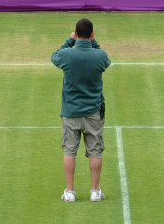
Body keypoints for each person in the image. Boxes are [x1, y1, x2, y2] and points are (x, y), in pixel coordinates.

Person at [51, 17, 111, 203]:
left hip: (70, 112)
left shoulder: (67, 54)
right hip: (93, 112)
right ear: (92, 35)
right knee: (95, 152)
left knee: (69, 151)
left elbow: (55, 55)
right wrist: (92, 41)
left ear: (76, 34)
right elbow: (103, 56)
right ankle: (95, 192)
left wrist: (70, 40)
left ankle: (70, 192)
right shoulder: (99, 56)